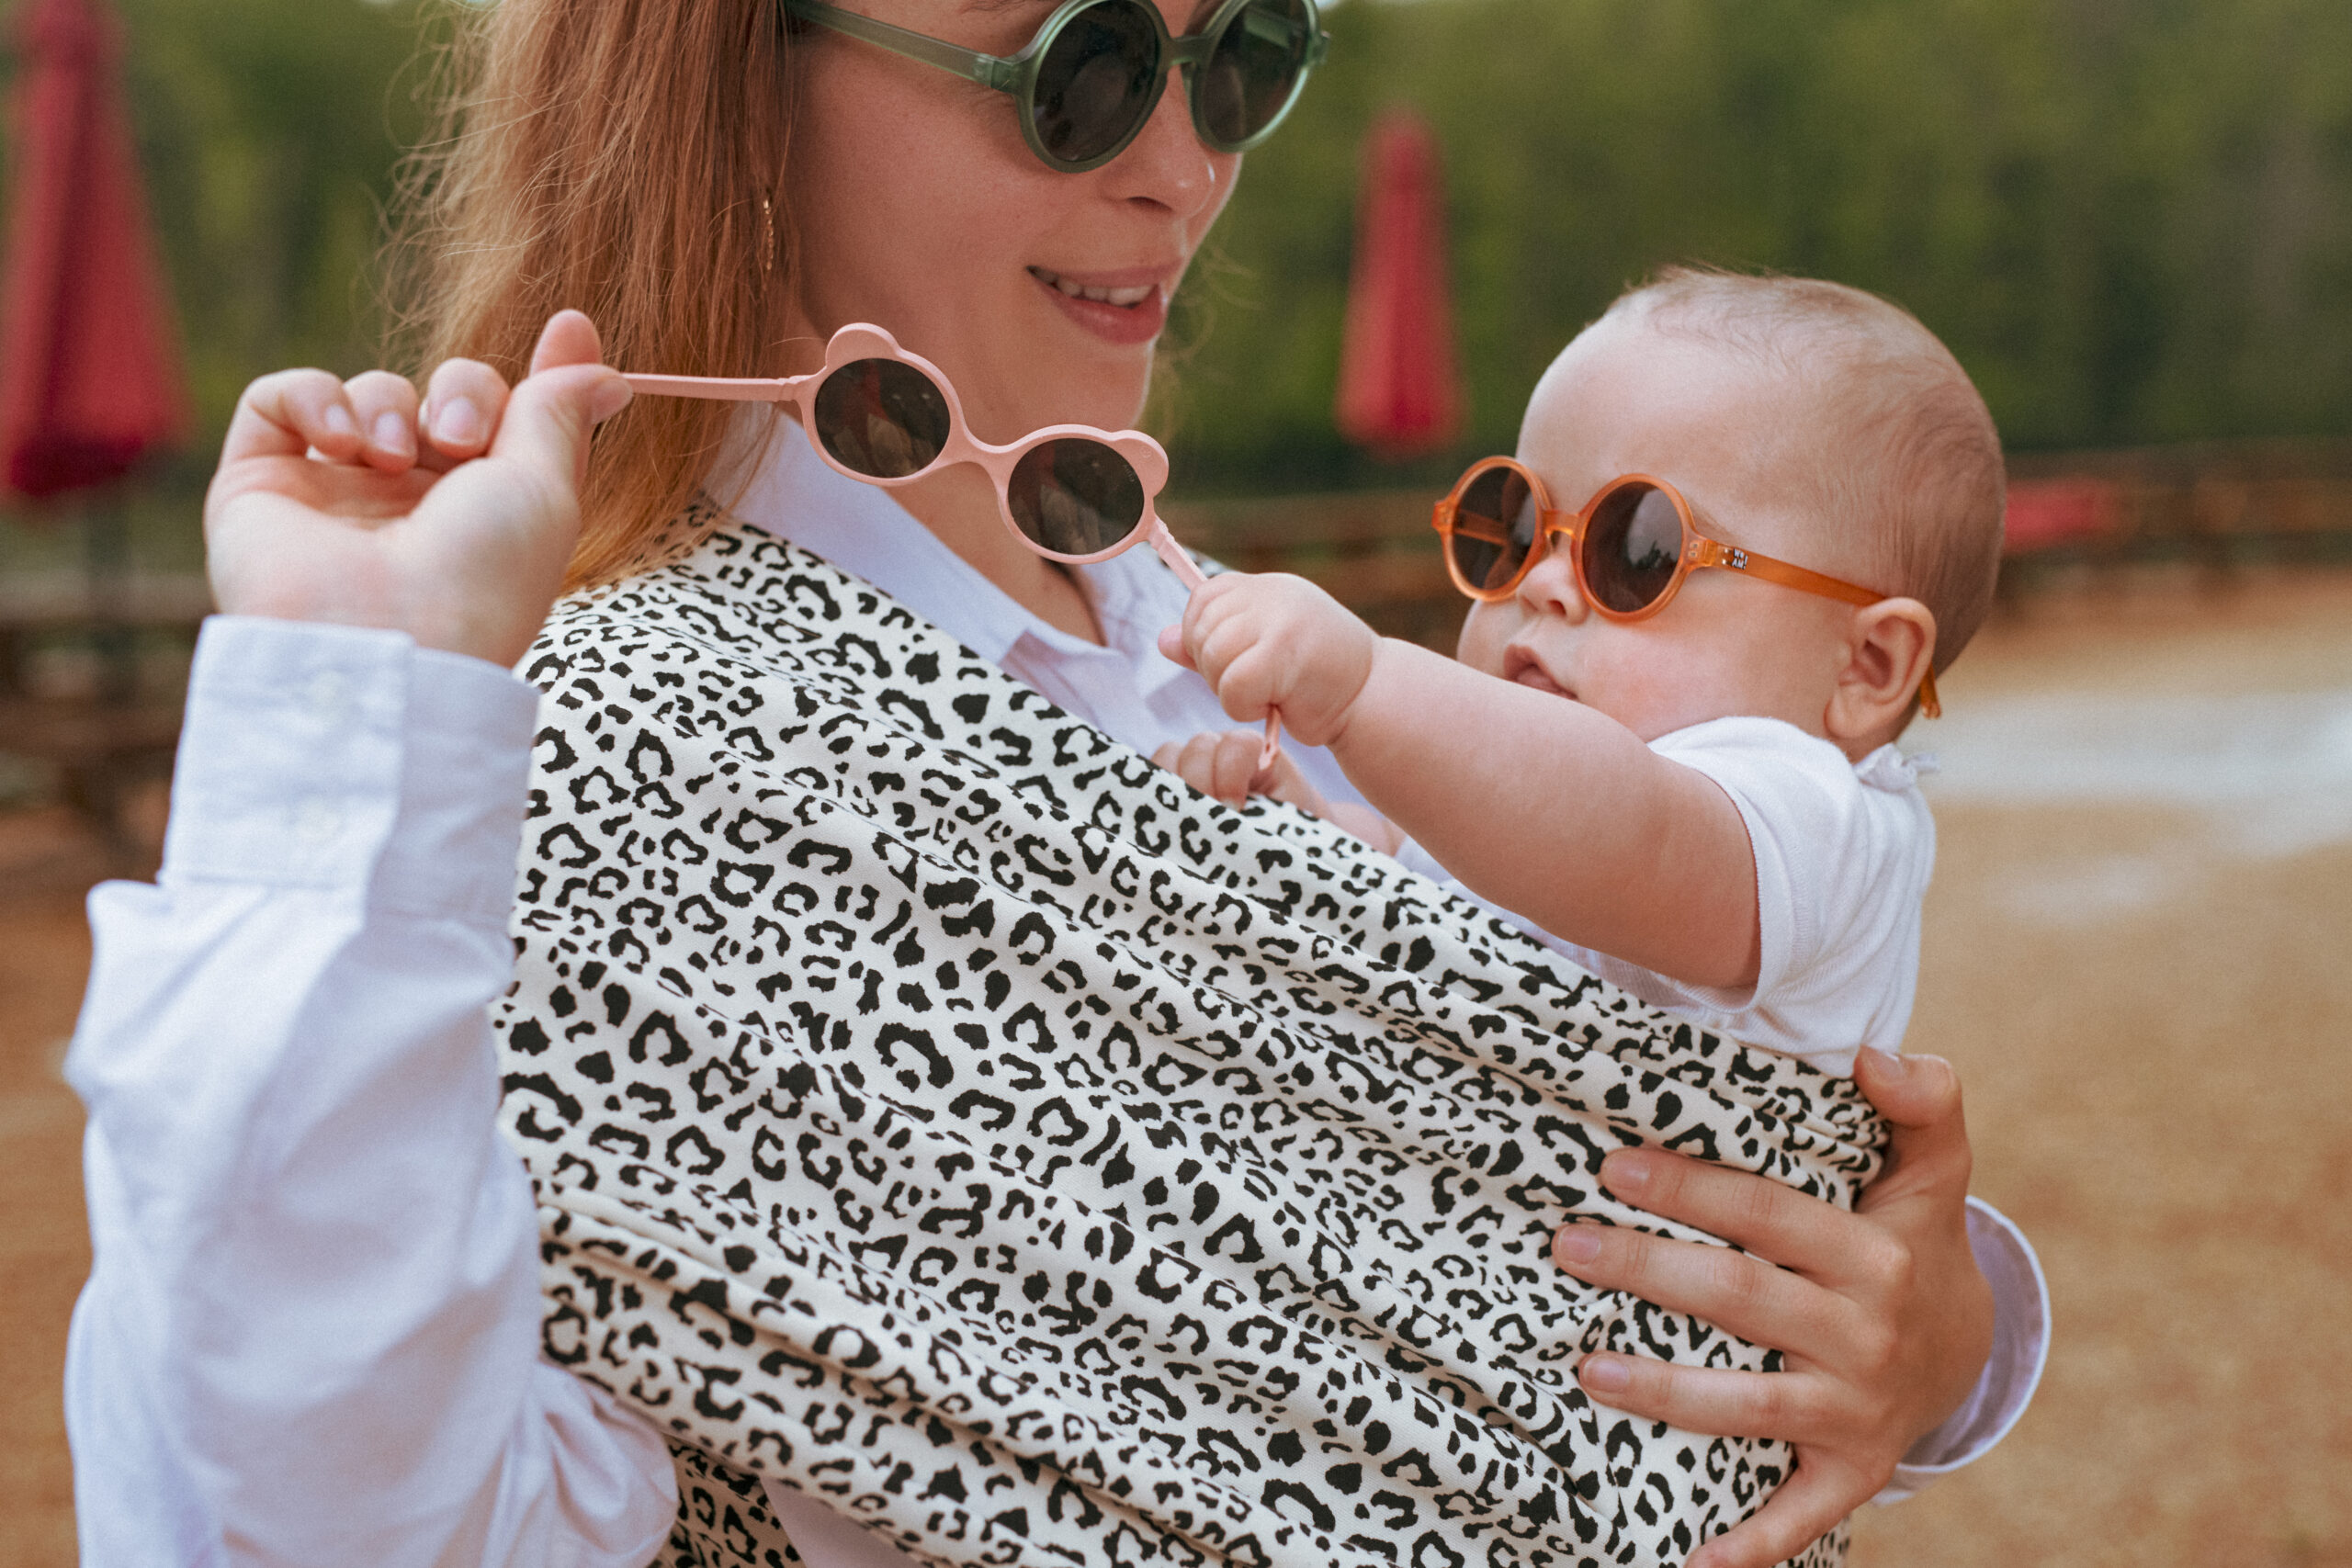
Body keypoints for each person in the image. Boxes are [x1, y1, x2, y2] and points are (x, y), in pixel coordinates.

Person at [61, 5, 2046, 1568]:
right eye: (1077, 64)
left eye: (1238, 54)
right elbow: (294, 1526)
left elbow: (1531, 1119)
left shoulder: (1237, 654)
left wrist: (1937, 1331)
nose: (1182, 167)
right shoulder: (527, 760)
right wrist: (348, 702)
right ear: (735, 70)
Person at [1158, 270, 1997, 1077]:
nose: (1542, 583)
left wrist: (1365, 685)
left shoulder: (1820, 825)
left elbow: (1630, 832)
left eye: (1638, 549)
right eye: (1519, 527)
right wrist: (1306, 838)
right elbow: (1437, 891)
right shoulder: (1524, 817)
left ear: (1865, 667)